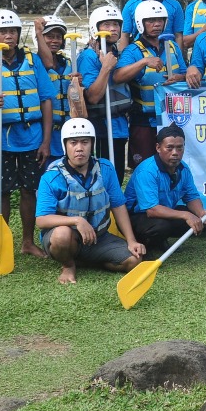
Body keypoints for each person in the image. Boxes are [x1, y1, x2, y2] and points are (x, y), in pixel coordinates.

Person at [0, 9, 55, 260]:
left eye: (12, 31)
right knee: (2, 192)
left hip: (32, 137)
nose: (8, 36)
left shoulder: (32, 60)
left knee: (30, 190)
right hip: (1, 139)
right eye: (2, 31)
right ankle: (2, 240)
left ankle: (28, 242)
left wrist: (46, 141)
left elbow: (46, 100)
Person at [35, 118, 144, 285]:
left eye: (85, 142)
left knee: (134, 261)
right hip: (67, 237)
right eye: (73, 143)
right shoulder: (51, 177)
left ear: (92, 144)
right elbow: (42, 220)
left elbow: (118, 205)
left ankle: (87, 260)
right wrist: (77, 221)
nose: (79, 148)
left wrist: (131, 240)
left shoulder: (105, 169)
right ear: (65, 145)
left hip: (99, 238)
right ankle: (68, 264)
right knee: (61, 235)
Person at [114, 1, 188, 167]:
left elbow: (185, 73)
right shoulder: (133, 50)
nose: (157, 24)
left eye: (160, 20)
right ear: (141, 23)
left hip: (172, 119)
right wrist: (144, 62)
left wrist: (180, 77)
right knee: (145, 168)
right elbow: (117, 76)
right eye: (151, 21)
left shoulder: (173, 46)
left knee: (172, 166)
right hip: (144, 122)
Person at [123, 124, 206, 252]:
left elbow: (191, 197)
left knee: (202, 219)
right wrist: (185, 215)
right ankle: (145, 243)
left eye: (179, 148)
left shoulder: (183, 168)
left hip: (164, 213)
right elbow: (152, 210)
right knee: (162, 226)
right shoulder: (147, 171)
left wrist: (201, 213)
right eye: (169, 148)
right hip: (137, 216)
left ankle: (160, 239)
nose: (175, 153)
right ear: (158, 148)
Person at [80, 5, 130, 180]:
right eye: (107, 25)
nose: (113, 28)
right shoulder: (89, 56)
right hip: (102, 127)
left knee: (117, 176)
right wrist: (106, 68)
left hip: (119, 126)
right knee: (103, 178)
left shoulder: (117, 53)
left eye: (116, 24)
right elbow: (92, 97)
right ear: (96, 28)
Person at [33, 15, 73, 166]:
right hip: (46, 130)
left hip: (66, 128)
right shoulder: (34, 62)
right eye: (49, 37)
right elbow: (47, 63)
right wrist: (38, 32)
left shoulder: (68, 63)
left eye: (58, 37)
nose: (55, 40)